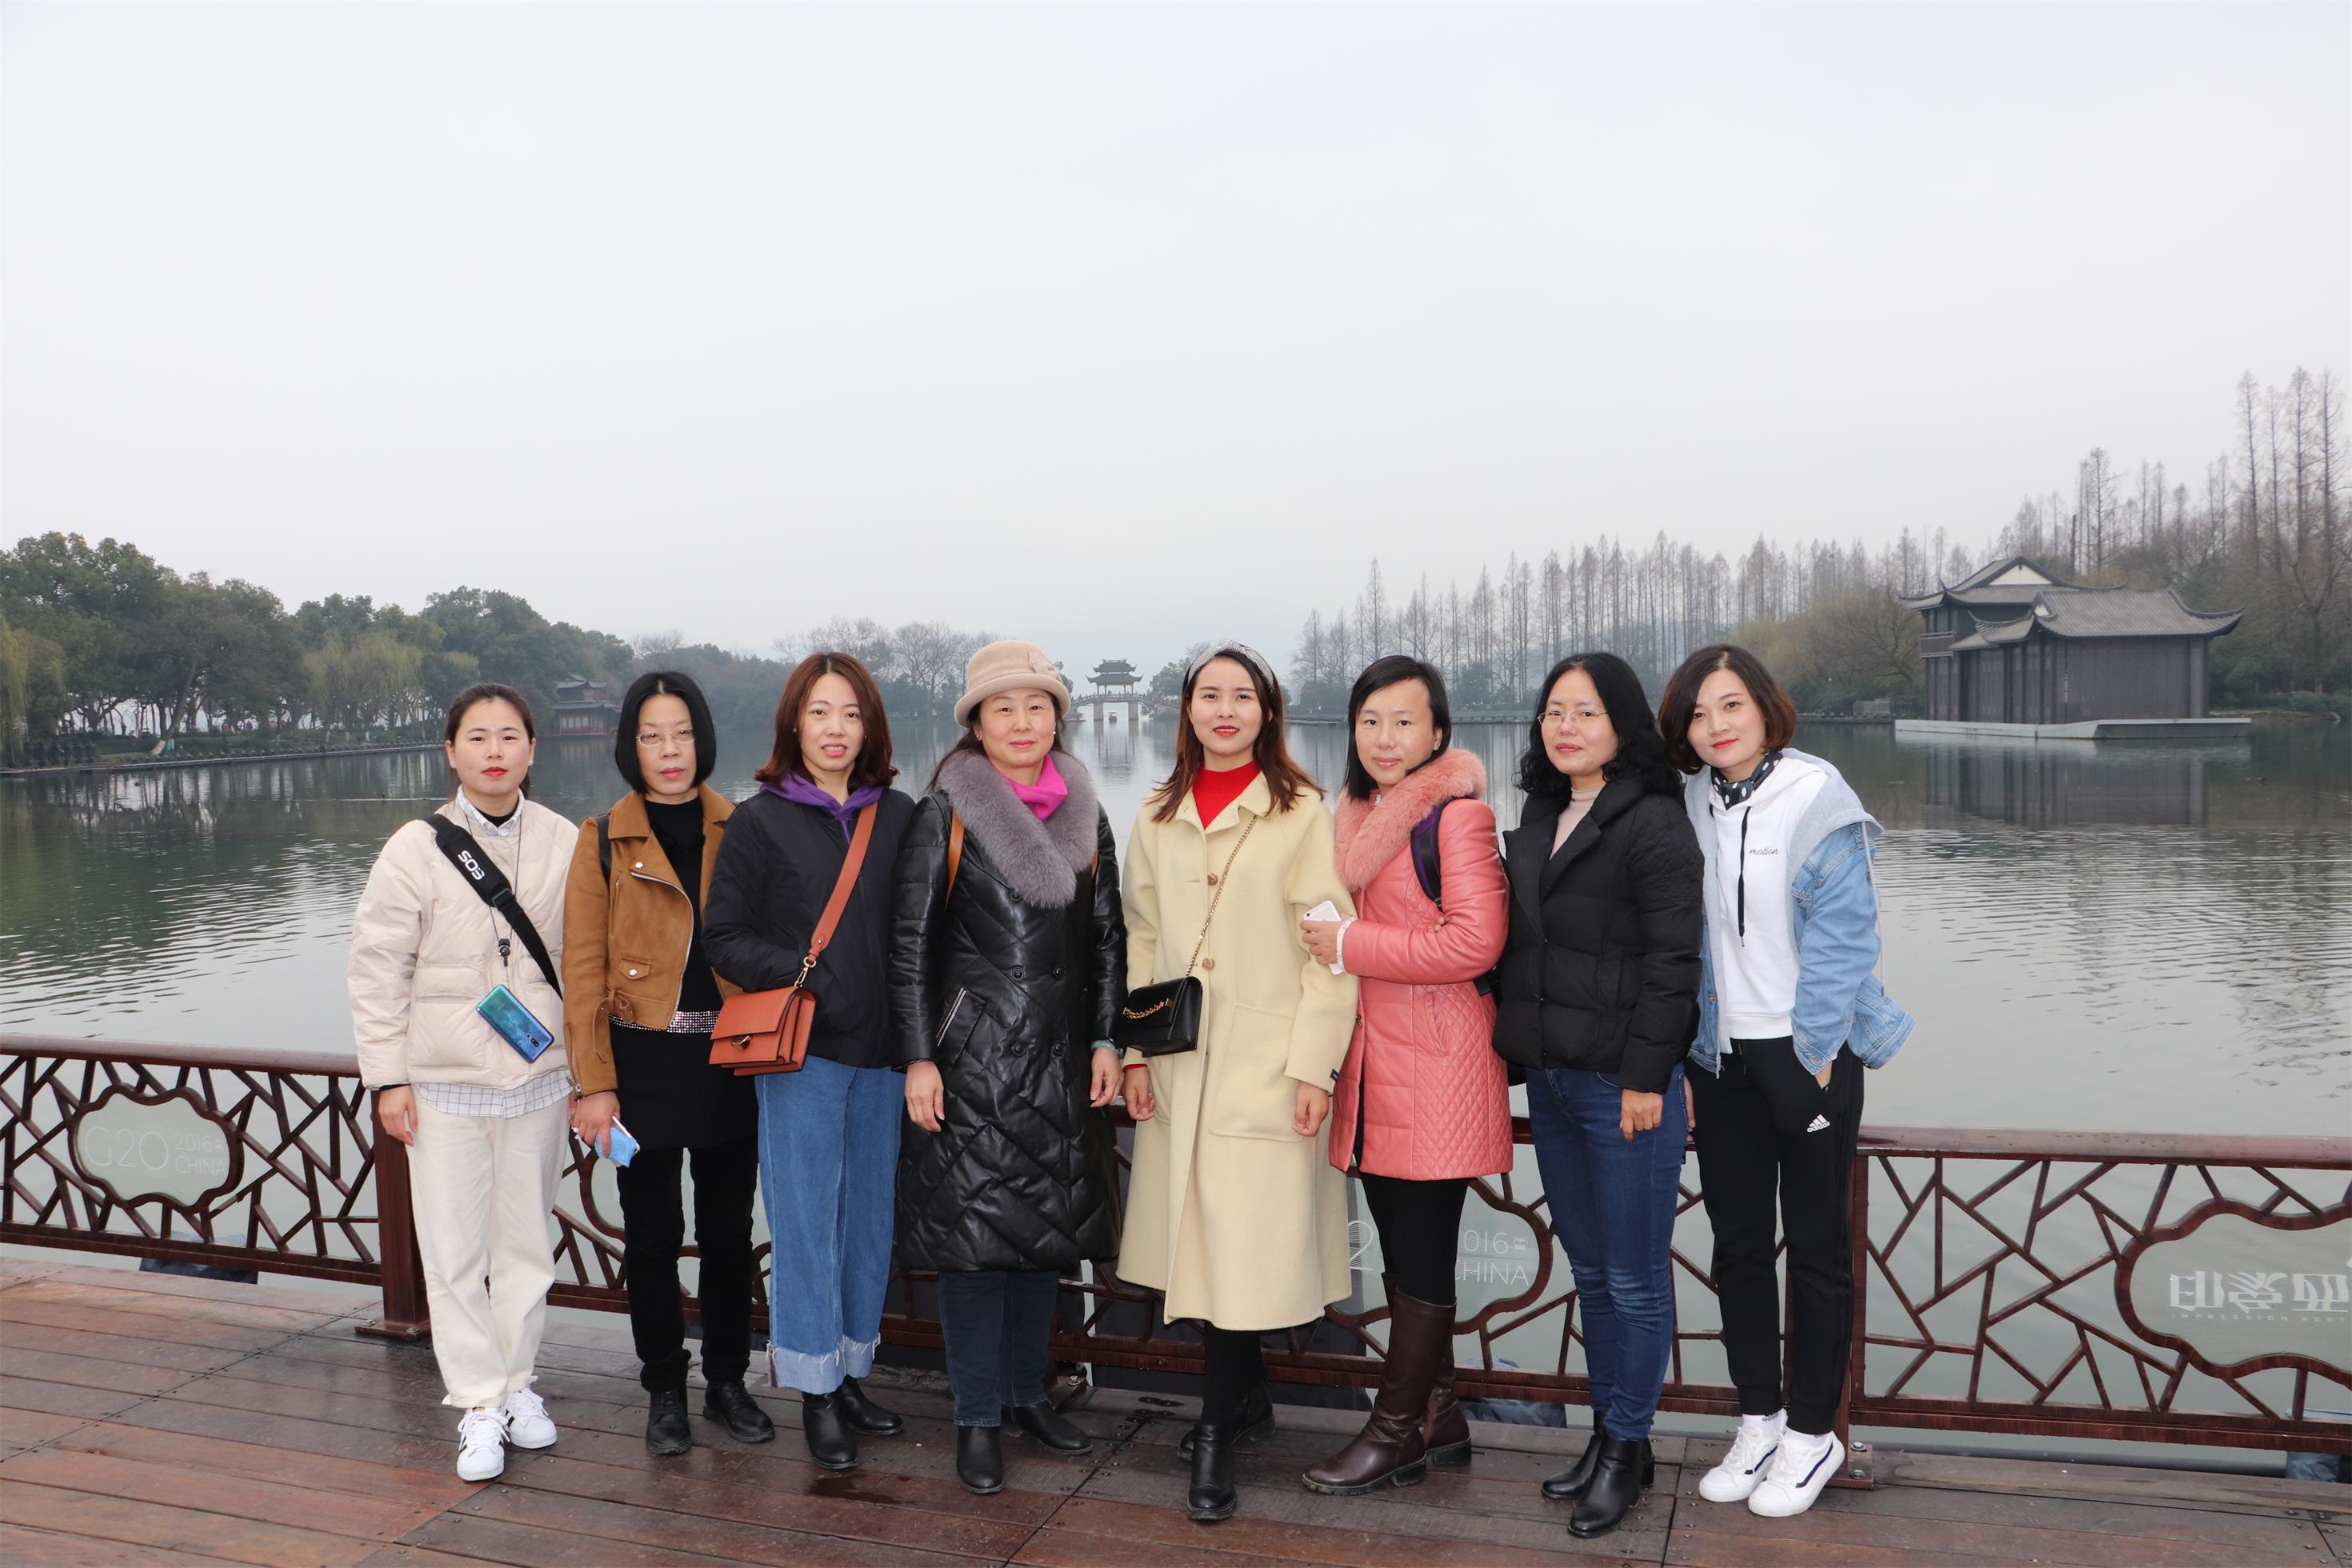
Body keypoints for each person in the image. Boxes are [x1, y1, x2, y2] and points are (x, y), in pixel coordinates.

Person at [1658, 644, 1914, 1522]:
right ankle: (1759, 1420)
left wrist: (1813, 1054)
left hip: (1809, 1053)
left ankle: (1813, 1433)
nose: (1716, 725)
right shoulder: (1691, 801)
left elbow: (1847, 934)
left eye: (1731, 704)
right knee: (1736, 1246)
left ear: (1766, 707)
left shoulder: (1815, 794)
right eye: (1698, 714)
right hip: (1721, 1054)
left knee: (1815, 1249)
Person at [1118, 643, 1358, 1526]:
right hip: (1180, 1061)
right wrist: (1135, 1052)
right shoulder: (1157, 812)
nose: (1226, 710)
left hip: (1265, 1062)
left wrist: (1313, 1065)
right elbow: (1142, 936)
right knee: (1202, 1245)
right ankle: (1246, 1401)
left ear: (1268, 710)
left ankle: (1216, 1428)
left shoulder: (1302, 812)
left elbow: (1331, 951)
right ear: (1187, 709)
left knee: (1242, 1252)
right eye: (1210, 695)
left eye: (1243, 696)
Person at [888, 641, 1127, 1496]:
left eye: (1037, 707)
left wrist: (1107, 1040)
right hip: (973, 1063)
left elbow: (1108, 939)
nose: (1022, 723)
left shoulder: (1087, 813)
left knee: (1040, 1243)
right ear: (978, 724)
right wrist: (919, 1056)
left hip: (1062, 1062)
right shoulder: (945, 813)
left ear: (1056, 718)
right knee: (976, 1249)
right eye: (1003, 709)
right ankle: (977, 1416)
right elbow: (910, 947)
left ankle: (1028, 1394)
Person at [1490, 651, 1702, 1539]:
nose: (1566, 727)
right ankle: (1614, 1435)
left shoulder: (1653, 821)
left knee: (1634, 1277)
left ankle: (1626, 1444)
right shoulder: (1542, 812)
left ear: (1622, 723)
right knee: (1589, 1269)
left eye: (1585, 712)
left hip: (1624, 1087)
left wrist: (1648, 1077)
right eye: (1553, 711)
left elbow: (1674, 963)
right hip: (1554, 1076)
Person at [349, 683, 574, 1482]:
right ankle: (478, 1401)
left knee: (526, 1247)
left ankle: (517, 1384)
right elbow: (378, 970)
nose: (494, 750)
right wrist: (388, 1079)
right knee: (451, 1253)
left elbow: (585, 963)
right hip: (443, 1084)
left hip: (540, 1077)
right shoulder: (413, 848)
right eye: (477, 736)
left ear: (532, 749)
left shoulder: (564, 841)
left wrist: (593, 1073)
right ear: (450, 751)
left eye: (509, 735)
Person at [1297, 655, 1510, 1495]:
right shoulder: (1351, 814)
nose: (1385, 739)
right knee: (1400, 1247)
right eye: (1370, 721)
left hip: (1439, 1065)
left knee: (1422, 1256)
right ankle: (1441, 1412)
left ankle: (1394, 1434)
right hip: (1375, 1063)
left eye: (1405, 722)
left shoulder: (1457, 817)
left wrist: (1352, 944)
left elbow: (1475, 942)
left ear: (1438, 732)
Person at [704, 653, 916, 1471]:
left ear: (871, 728)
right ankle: (815, 1390)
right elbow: (725, 937)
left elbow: (919, 930)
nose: (835, 729)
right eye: (820, 712)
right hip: (805, 1056)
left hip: (885, 1057)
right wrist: (807, 977)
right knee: (804, 1222)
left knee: (867, 1222)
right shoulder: (760, 821)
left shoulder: (898, 815)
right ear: (794, 722)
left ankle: (852, 1372)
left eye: (851, 714)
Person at [562, 670, 771, 1457]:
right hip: (641, 1062)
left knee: (727, 1233)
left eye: (682, 732)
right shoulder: (602, 839)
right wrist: (595, 1084)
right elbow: (583, 971)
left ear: (702, 739)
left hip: (728, 1058)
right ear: (631, 746)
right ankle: (663, 1388)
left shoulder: (741, 827)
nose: (669, 749)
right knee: (651, 1236)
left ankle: (727, 1382)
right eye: (652, 735)